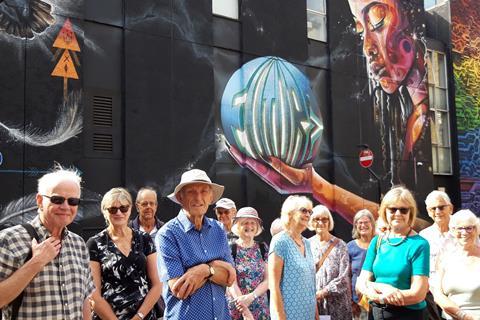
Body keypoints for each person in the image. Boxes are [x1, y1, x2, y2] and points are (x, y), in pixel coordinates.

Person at [0, 165, 95, 319]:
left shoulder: (79, 244)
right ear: (39, 200)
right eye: (57, 199)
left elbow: (84, 299)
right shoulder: (9, 240)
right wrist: (36, 262)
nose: (65, 207)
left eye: (73, 201)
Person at [156, 169, 236, 320]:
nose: (198, 197)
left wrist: (204, 270)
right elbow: (180, 289)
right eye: (191, 192)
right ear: (180, 197)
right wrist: (216, 268)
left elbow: (230, 278)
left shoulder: (219, 229)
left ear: (211, 196)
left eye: (204, 191)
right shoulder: (168, 234)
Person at [356, 186, 430, 319]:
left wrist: (379, 295)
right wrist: (382, 289)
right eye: (392, 209)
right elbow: (361, 283)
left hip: (408, 315)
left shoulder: (420, 244)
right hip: (377, 313)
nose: (397, 213)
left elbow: (418, 294)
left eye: (403, 209)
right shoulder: (377, 241)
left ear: (410, 213)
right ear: (385, 211)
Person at [87, 188, 161, 320]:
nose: (119, 213)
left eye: (123, 208)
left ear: (130, 209)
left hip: (144, 316)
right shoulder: (94, 243)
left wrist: (139, 316)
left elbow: (157, 284)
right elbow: (94, 294)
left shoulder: (144, 239)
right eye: (113, 209)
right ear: (105, 211)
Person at [269, 195, 318, 320]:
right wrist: (280, 317)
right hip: (288, 315)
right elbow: (273, 286)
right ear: (290, 213)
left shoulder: (307, 243)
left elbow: (311, 286)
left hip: (308, 313)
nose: (308, 214)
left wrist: (316, 316)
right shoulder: (280, 241)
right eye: (303, 210)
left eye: (310, 212)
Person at [433, 209, 480, 320]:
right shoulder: (444, 258)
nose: (464, 232)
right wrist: (463, 316)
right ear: (453, 231)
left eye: (469, 228)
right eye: (459, 228)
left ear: (476, 229)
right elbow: (438, 294)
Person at [309, 205, 352, 319]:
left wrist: (323, 292)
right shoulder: (306, 245)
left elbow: (344, 278)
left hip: (337, 306)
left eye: (324, 219)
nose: (320, 222)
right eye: (316, 219)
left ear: (329, 222)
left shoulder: (340, 245)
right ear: (311, 222)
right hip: (315, 306)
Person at [227, 207, 269, 320]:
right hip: (238, 308)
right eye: (245, 223)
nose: (249, 226)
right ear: (238, 226)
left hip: (260, 309)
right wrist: (244, 309)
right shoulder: (231, 248)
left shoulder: (262, 247)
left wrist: (251, 297)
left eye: (253, 223)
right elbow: (231, 283)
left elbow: (268, 280)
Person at [420, 190, 455, 320]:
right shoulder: (424, 236)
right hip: (431, 297)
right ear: (428, 212)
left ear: (450, 208)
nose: (437, 211)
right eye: (433, 208)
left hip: (456, 294)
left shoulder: (463, 232)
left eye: (441, 207)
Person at [347, 209, 376, 320]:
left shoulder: (380, 244)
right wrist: (351, 300)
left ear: (372, 224)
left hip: (378, 299)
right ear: (356, 226)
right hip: (357, 302)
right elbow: (347, 277)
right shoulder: (350, 247)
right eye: (360, 223)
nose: (363, 225)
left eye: (366, 222)